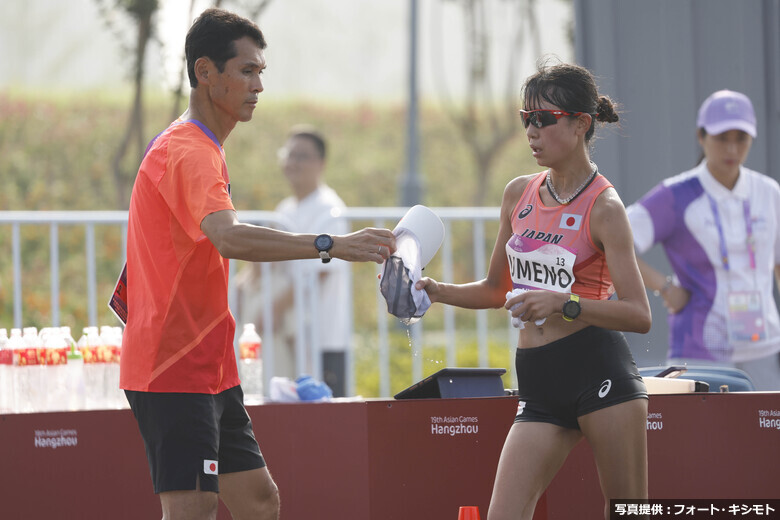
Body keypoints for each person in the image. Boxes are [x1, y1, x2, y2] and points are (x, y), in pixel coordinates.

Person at [119, 9, 396, 520]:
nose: (259, 85)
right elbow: (227, 239)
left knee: (260, 502)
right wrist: (331, 243)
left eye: (261, 72)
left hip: (210, 365)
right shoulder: (190, 149)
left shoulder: (199, 146)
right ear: (205, 72)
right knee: (193, 511)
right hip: (173, 365)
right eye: (247, 71)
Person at [415, 61, 652, 520]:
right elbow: (493, 289)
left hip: (598, 370)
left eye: (544, 119)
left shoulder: (605, 208)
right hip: (540, 379)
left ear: (582, 124)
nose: (532, 131)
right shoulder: (517, 193)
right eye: (527, 118)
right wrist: (437, 290)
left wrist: (566, 304)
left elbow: (639, 314)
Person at [627, 90, 780, 391]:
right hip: (701, 349)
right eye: (722, 137)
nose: (732, 148)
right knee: (706, 437)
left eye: (741, 138)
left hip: (764, 346)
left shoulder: (768, 192)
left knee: (765, 435)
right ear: (701, 136)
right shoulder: (675, 195)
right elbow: (613, 240)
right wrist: (665, 286)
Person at [255, 126, 351, 396]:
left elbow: (321, 271)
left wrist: (276, 307)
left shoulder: (330, 209)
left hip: (323, 336)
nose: (293, 162)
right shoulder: (285, 210)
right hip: (289, 337)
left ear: (321, 163)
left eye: (302, 156)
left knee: (327, 416)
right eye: (289, 154)